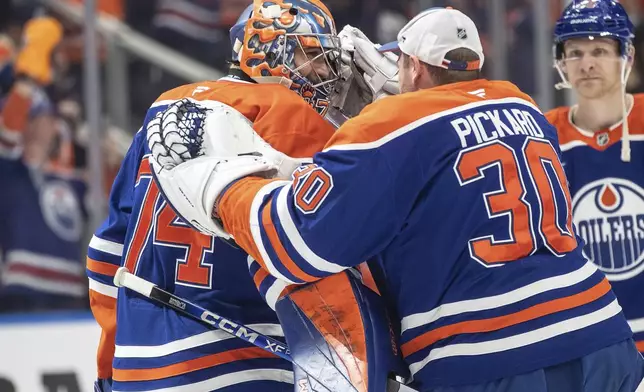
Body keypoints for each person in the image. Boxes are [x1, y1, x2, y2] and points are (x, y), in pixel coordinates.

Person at [148, 6, 644, 392]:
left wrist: (218, 182)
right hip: (602, 336)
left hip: (491, 357)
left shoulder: (385, 128)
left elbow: (295, 242)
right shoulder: (523, 104)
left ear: (410, 65)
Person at [85, 1, 342, 391]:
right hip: (239, 355)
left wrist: (109, 362)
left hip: (137, 361)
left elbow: (107, 252)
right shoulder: (292, 114)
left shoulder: (165, 107)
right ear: (269, 49)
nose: (325, 73)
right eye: (312, 55)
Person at [545, 0, 644, 355]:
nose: (586, 64)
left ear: (626, 56)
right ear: (561, 61)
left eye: (599, 50)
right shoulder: (542, 134)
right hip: (589, 340)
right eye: (575, 52)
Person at [0, 16, 88, 312]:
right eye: (31, 119)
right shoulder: (11, 171)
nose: (38, 126)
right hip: (23, 289)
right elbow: (7, 132)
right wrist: (27, 78)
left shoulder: (71, 179)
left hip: (71, 290)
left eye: (44, 118)